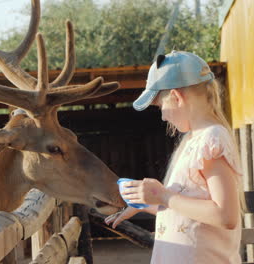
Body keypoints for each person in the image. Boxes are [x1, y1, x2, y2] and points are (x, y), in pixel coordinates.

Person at [105, 51, 245, 263]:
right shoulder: (193, 140)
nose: (162, 115)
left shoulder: (211, 140)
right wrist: (145, 202)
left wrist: (163, 196)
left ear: (177, 97)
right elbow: (188, 211)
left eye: (161, 106)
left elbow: (225, 216)